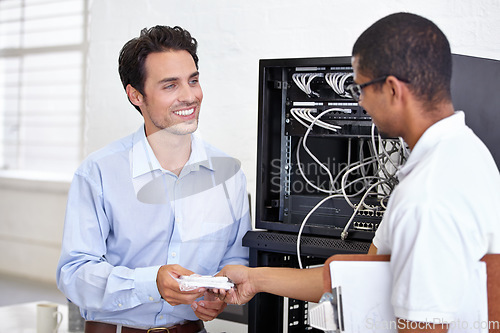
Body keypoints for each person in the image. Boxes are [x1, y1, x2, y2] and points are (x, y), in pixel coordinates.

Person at [218, 12, 500, 332]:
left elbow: (423, 325)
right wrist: (256, 279)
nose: (362, 104)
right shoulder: (469, 152)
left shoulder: (428, 192)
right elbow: (369, 273)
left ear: (392, 89)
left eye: (361, 88)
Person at [56, 25, 251, 333]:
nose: (189, 96)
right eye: (170, 85)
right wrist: (150, 283)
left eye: (193, 80)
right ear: (136, 95)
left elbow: (236, 258)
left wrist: (219, 294)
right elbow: (74, 274)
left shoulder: (230, 177)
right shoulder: (99, 172)